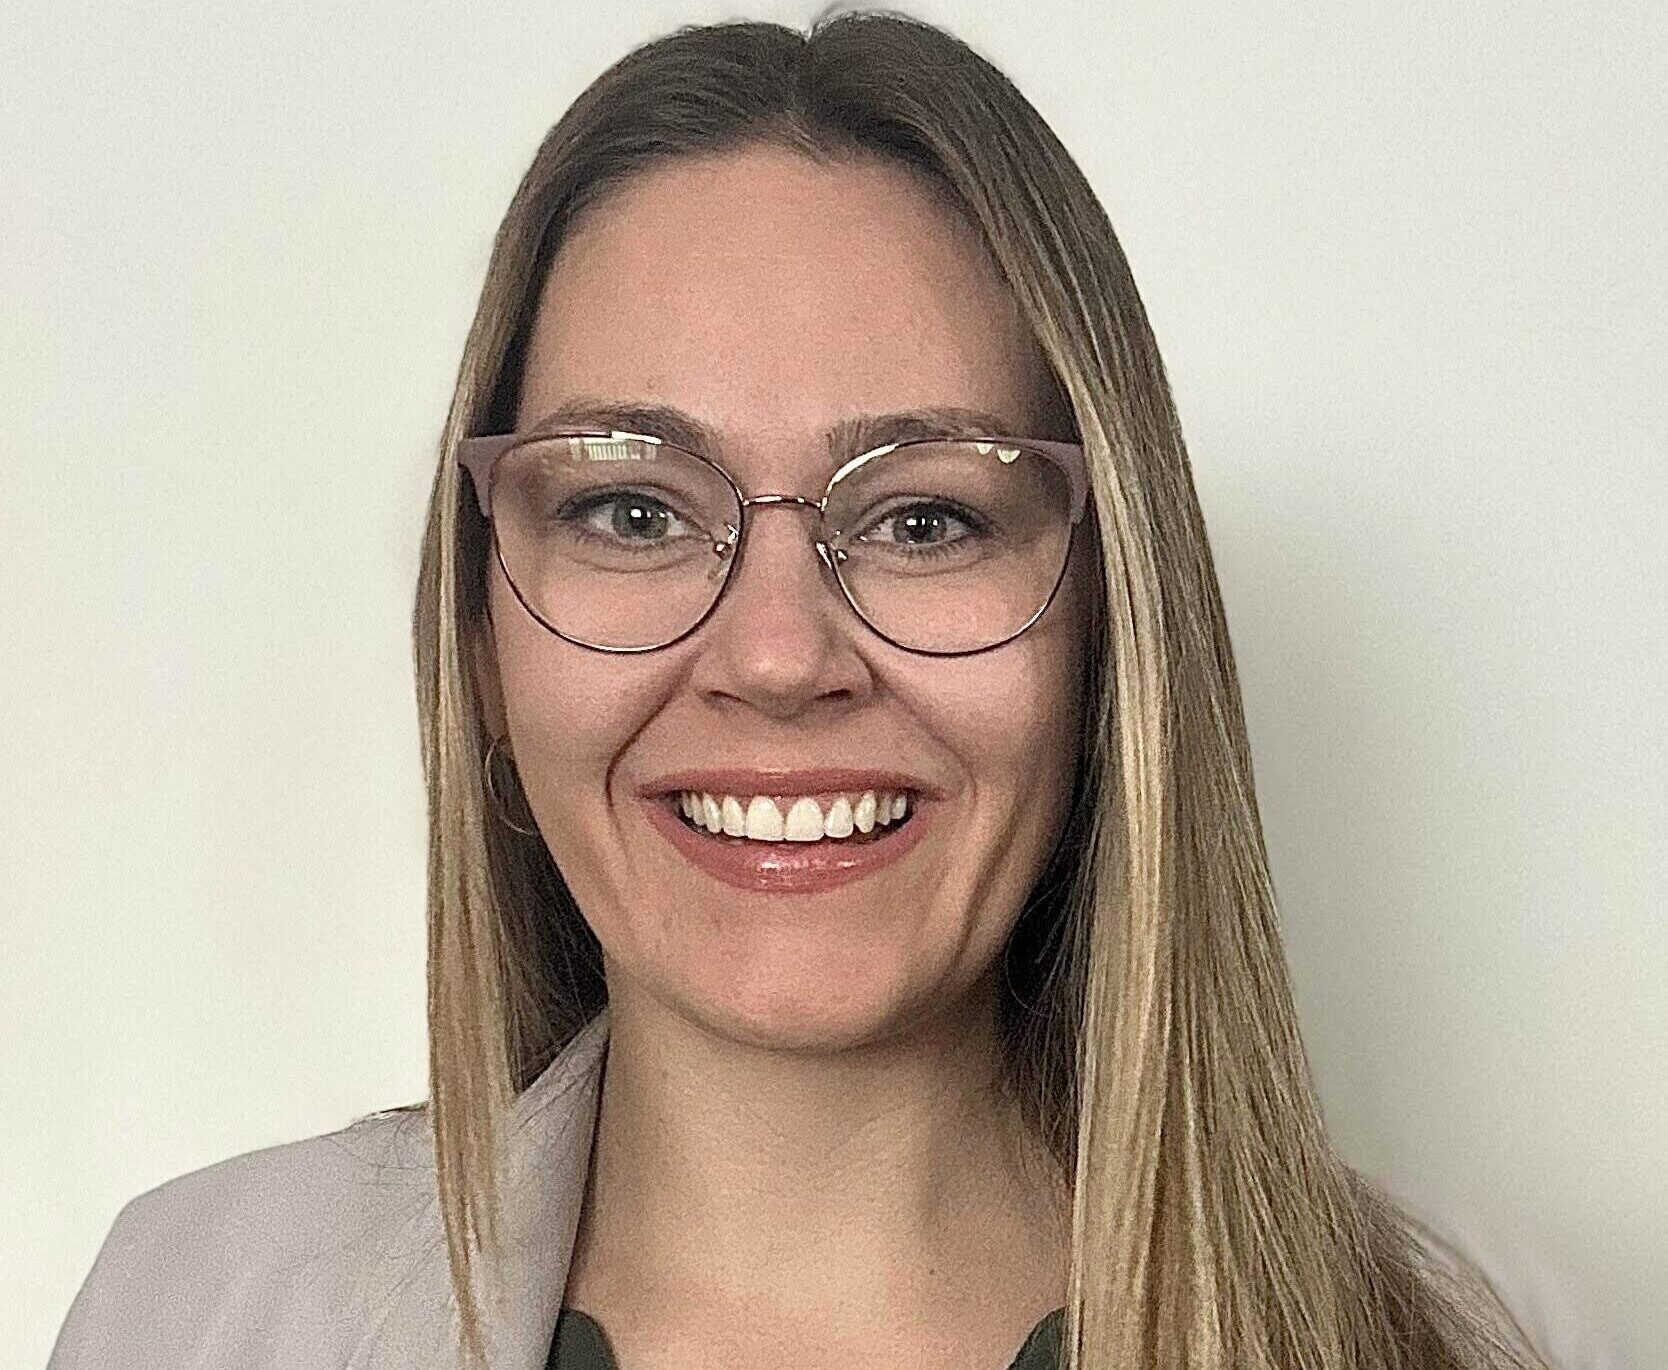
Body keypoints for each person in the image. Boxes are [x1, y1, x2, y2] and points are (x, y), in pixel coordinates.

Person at [48, 11, 1565, 1370]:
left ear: (1114, 639)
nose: (778, 658)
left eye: (927, 519)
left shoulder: (1460, 1343)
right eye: (631, 509)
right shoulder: (191, 1314)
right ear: (483, 642)